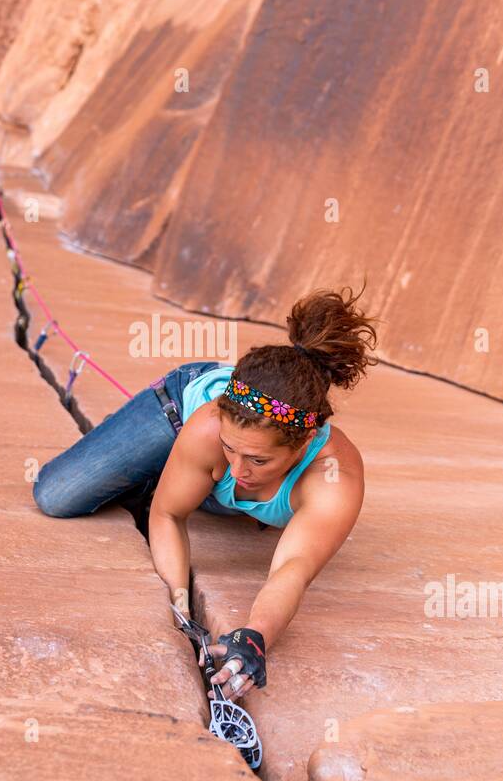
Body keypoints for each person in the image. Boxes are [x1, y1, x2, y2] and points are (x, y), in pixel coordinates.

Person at [33, 287, 379, 700]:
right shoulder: (208, 425)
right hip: (180, 412)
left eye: (258, 461)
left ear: (303, 443)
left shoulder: (335, 478)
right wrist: (180, 607)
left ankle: (165, 471)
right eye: (230, 451)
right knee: (57, 495)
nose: (236, 472)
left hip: (215, 448)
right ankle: (154, 462)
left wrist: (255, 637)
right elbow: (168, 515)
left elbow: (294, 568)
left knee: (204, 478)